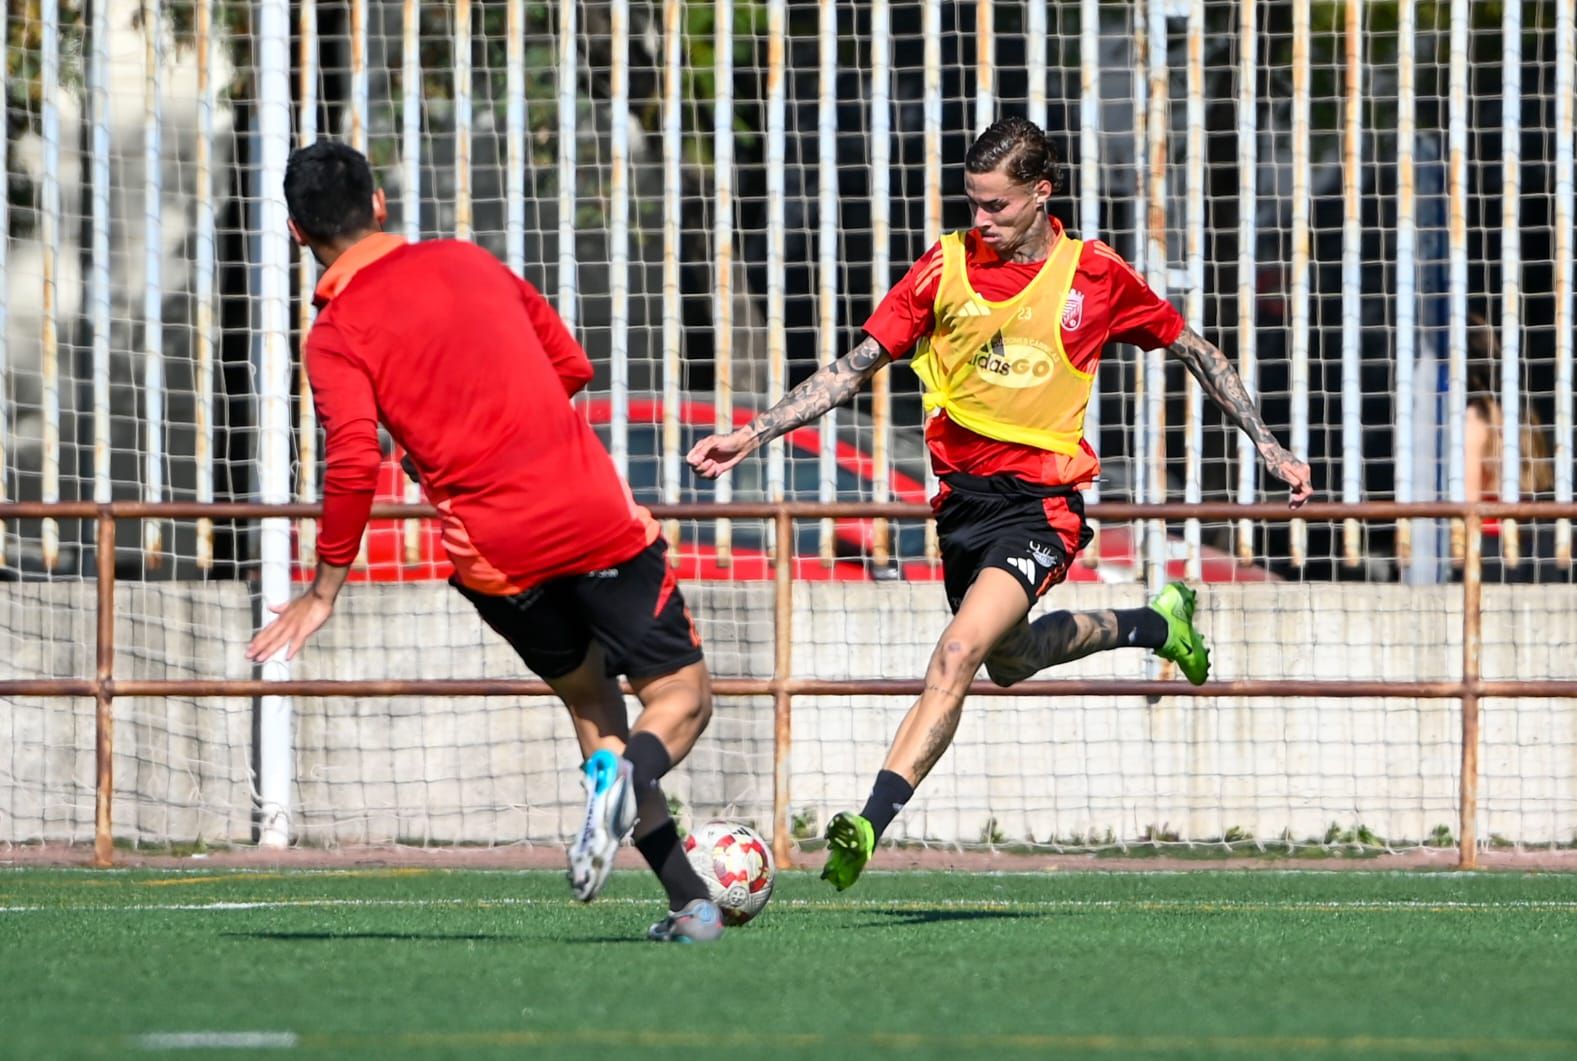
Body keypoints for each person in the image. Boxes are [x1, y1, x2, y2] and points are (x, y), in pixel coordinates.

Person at [688, 117, 1313, 891]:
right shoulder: (942, 269)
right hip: (962, 509)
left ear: (1041, 194)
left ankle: (868, 821)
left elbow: (1197, 350)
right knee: (1009, 662)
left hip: (1044, 506)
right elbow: (852, 369)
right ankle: (1154, 623)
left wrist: (1267, 444)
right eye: (973, 203)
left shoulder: (1094, 275)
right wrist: (754, 432)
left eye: (997, 206)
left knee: (957, 652)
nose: (980, 221)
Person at [246, 140, 722, 942]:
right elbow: (570, 364)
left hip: (494, 557)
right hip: (590, 518)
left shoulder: (333, 336)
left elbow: (354, 461)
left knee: (592, 705)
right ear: (381, 204)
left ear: (298, 234)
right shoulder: (467, 262)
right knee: (680, 700)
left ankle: (690, 902)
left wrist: (325, 587)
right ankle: (627, 789)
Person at [1462, 313, 1559, 582]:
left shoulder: (1476, 417)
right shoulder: (1522, 411)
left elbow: (1468, 498)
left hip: (1491, 543)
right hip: (1535, 539)